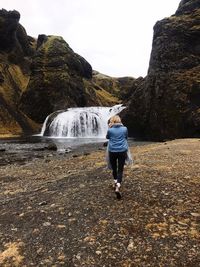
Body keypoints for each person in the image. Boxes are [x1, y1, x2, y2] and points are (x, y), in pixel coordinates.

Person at [106, 115, 128, 199]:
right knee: (120, 169)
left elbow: (107, 137)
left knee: (114, 168)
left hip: (112, 151)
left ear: (112, 121)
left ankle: (115, 181)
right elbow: (126, 137)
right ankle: (118, 185)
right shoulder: (125, 128)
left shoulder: (110, 130)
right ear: (120, 121)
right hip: (122, 151)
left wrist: (109, 128)